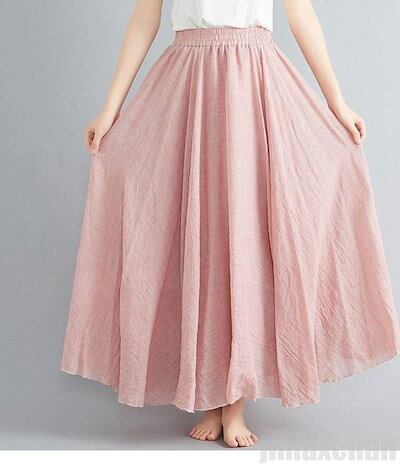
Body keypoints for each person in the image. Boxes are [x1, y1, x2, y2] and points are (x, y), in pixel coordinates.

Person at [60, 0, 400, 448]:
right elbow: (145, 17)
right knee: (195, 237)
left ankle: (235, 399)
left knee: (245, 237)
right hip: (187, 84)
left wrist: (336, 101)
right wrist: (111, 108)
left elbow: (301, 14)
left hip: (251, 85)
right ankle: (209, 393)